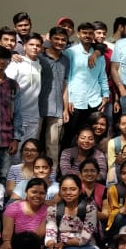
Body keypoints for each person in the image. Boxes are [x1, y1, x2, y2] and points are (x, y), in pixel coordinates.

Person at [44, 174, 101, 249]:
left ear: (80, 191)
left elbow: (84, 238)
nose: (68, 192)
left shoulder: (90, 209)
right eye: (64, 189)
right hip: (61, 247)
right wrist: (51, 245)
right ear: (60, 191)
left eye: (73, 189)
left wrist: (64, 244)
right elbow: (50, 232)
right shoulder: (52, 210)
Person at [64, 23, 110, 149]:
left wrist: (105, 95)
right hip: (76, 101)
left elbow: (102, 77)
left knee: (92, 136)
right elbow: (67, 79)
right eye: (84, 33)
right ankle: (67, 160)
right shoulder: (70, 53)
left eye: (90, 33)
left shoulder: (99, 55)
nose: (87, 36)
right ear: (78, 34)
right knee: (71, 135)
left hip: (94, 100)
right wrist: (69, 99)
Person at [6, 34, 44, 161]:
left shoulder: (38, 64)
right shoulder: (16, 63)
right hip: (18, 116)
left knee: (29, 152)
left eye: (38, 45)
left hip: (34, 115)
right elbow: (7, 88)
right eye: (31, 45)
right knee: (15, 153)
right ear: (24, 46)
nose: (35, 48)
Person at [38, 27, 70, 162]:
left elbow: (65, 84)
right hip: (37, 106)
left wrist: (66, 109)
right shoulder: (39, 57)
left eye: (63, 40)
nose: (60, 42)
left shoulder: (65, 60)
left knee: (53, 145)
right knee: (33, 143)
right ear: (49, 39)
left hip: (57, 108)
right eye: (56, 38)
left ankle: (52, 172)